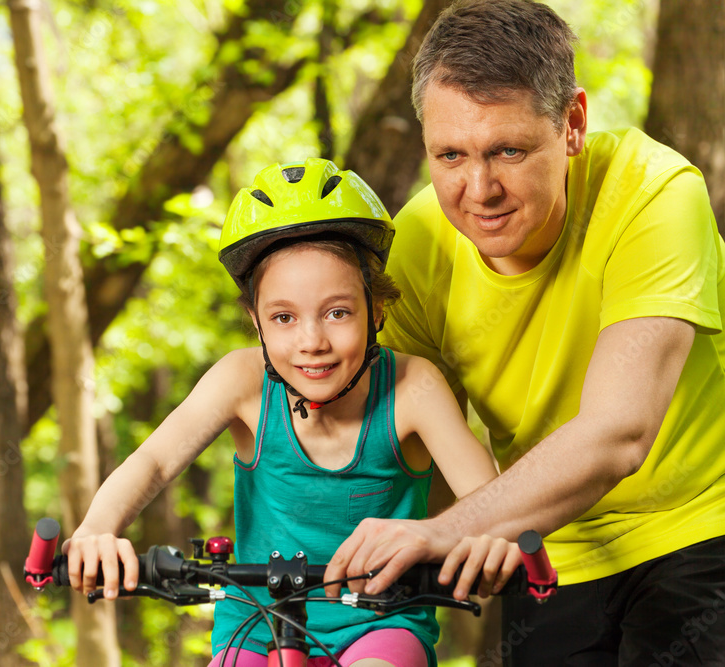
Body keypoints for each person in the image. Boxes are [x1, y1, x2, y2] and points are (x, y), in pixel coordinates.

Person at [323, 1, 725, 665]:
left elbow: (618, 433)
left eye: (508, 150)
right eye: (450, 155)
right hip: (543, 548)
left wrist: (453, 529)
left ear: (572, 125)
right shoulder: (418, 245)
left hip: (700, 531)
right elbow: (398, 445)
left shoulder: (655, 193)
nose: (479, 189)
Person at [63, 158, 522, 667]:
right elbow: (152, 463)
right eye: (283, 317)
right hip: (255, 626)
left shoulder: (414, 388)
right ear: (257, 325)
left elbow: (491, 505)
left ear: (378, 311)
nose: (312, 342)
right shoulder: (242, 382)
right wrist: (97, 529)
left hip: (379, 621)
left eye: (338, 312)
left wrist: (493, 542)